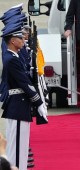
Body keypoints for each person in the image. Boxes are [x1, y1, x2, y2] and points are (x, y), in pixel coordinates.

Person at [1, 23, 47, 170]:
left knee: (19, 145)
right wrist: (38, 101)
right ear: (13, 41)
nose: (23, 39)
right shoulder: (11, 59)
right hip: (18, 104)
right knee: (18, 145)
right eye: (20, 37)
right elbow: (24, 82)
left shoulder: (12, 56)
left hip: (19, 103)